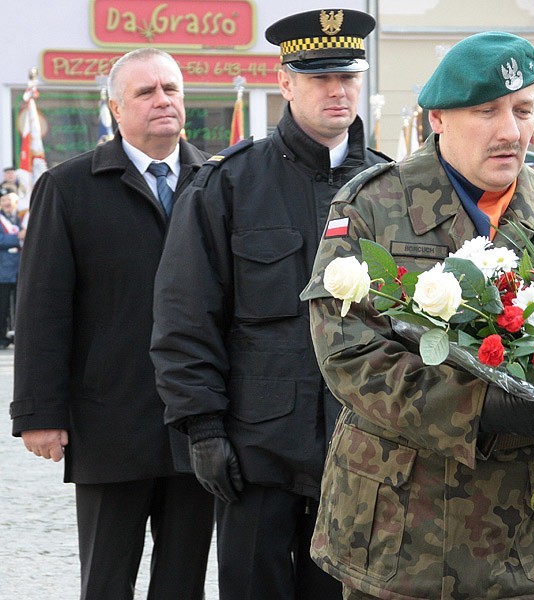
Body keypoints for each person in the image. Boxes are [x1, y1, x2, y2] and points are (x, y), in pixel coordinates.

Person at [301, 31, 534, 600]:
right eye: (486, 112)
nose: (510, 131)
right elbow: (347, 352)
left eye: (523, 110)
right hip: (400, 533)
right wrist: (478, 408)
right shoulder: (374, 206)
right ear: (437, 117)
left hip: (531, 539)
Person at [149, 9, 389, 600]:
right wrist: (201, 428)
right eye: (320, 78)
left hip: (363, 451)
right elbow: (185, 319)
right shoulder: (227, 184)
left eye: (348, 77)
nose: (338, 91)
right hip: (256, 453)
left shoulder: (391, 188)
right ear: (285, 84)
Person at [10, 48, 214, 599]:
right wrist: (38, 413)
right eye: (145, 93)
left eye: (171, 89)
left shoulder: (219, 183)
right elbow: (41, 309)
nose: (162, 101)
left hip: (199, 423)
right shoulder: (70, 187)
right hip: (110, 422)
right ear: (116, 109)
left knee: (183, 582)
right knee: (107, 580)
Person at [0, 189, 24, 347]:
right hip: (3, 270)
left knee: (18, 305)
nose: (7, 204)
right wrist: (17, 237)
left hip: (18, 269)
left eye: (9, 200)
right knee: (2, 306)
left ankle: (16, 335)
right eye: (4, 201)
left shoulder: (17, 219)